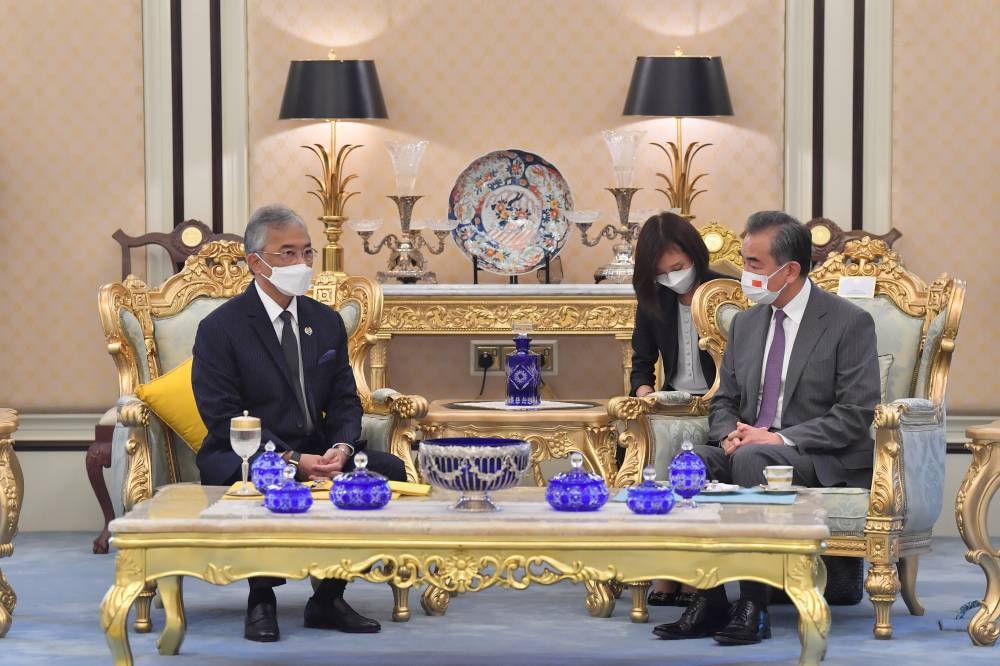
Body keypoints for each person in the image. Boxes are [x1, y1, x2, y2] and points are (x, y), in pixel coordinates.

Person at [653, 211, 879, 645]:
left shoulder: (848, 322)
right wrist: (728, 434)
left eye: (753, 263)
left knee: (755, 457)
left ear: (789, 270)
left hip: (818, 456)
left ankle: (754, 607)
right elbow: (724, 400)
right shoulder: (747, 322)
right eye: (744, 261)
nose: (744, 272)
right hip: (750, 445)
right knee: (692, 462)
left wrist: (777, 438)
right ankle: (709, 599)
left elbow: (856, 413)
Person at [193, 204, 406, 643]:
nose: (302, 263)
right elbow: (223, 416)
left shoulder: (325, 322)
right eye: (287, 253)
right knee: (268, 475)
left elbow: (345, 400)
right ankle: (261, 599)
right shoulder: (220, 329)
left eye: (307, 252)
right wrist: (292, 459)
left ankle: (328, 596)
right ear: (256, 262)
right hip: (246, 452)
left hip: (321, 449)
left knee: (388, 471)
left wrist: (341, 448)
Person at [630, 211, 726, 607]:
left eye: (678, 268)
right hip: (672, 404)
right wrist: (645, 396)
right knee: (645, 462)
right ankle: (663, 569)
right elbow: (641, 362)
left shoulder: (724, 291)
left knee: (692, 474)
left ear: (694, 255)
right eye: (661, 273)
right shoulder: (654, 299)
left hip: (723, 404)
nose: (672, 278)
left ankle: (690, 576)